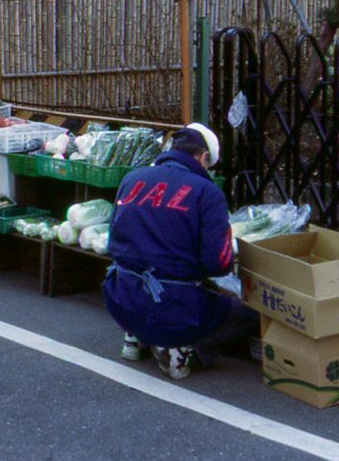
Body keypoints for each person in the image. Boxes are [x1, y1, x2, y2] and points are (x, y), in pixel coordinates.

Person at [102, 123, 259, 380]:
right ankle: (182, 349)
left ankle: (135, 335)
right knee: (250, 315)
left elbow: (113, 243)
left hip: (120, 298)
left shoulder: (132, 178)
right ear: (204, 157)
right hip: (173, 306)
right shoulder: (207, 192)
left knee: (150, 281)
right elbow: (216, 264)